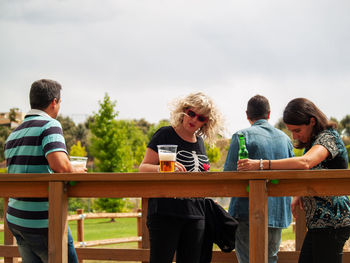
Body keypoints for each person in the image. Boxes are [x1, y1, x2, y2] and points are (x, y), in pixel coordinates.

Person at [238, 97, 350, 263]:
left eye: (297, 130)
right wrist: (299, 194)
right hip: (319, 224)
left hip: (333, 221)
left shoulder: (328, 138)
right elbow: (314, 171)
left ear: (312, 121)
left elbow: (306, 163)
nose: (294, 135)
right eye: (291, 131)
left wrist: (261, 164)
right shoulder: (313, 142)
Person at [4, 79, 87, 263]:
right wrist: (77, 169)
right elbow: (61, 167)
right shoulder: (49, 125)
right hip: (42, 220)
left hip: (17, 219)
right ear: (54, 102)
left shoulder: (13, 134)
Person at [139, 92, 224, 263]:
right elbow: (143, 168)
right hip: (165, 213)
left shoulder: (200, 142)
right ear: (183, 111)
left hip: (196, 215)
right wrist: (162, 169)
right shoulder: (165, 134)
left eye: (201, 118)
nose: (194, 120)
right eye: (191, 113)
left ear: (206, 122)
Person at [224, 95, 294, 263]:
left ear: (247, 114)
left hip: (246, 212)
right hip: (278, 212)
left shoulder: (241, 136)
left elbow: (228, 174)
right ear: (268, 114)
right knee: (270, 259)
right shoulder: (285, 139)